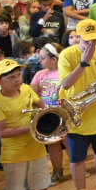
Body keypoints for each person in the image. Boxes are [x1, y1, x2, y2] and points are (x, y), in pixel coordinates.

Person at [57, 18, 96, 189]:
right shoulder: (67, 55)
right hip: (76, 117)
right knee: (78, 159)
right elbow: (65, 84)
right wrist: (83, 63)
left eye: (95, 40)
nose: (92, 44)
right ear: (78, 37)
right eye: (88, 40)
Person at [0, 58, 52, 190]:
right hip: (14, 156)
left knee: (41, 187)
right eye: (11, 77)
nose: (17, 80)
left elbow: (42, 107)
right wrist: (31, 127)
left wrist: (46, 117)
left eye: (18, 75)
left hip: (36, 149)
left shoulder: (27, 89)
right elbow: (1, 132)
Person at [29, 43, 67, 182]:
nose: (40, 61)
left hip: (63, 113)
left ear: (54, 59)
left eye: (43, 58)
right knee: (53, 144)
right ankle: (57, 170)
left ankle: (78, 166)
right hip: (47, 115)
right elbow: (32, 93)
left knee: (69, 141)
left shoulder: (64, 72)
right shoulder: (40, 74)